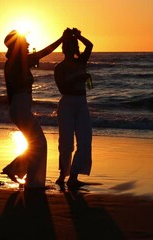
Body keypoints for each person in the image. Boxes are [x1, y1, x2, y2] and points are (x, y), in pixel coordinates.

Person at [2, 29, 70, 188]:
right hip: (20, 109)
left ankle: (20, 173)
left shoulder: (19, 61)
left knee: (37, 144)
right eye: (25, 42)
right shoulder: (17, 62)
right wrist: (61, 38)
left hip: (20, 109)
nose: (28, 44)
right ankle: (27, 178)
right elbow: (45, 52)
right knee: (39, 143)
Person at [54, 28, 93, 188]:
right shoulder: (59, 68)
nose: (72, 49)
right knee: (66, 143)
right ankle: (63, 175)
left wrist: (79, 36)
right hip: (67, 104)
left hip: (81, 104)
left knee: (85, 140)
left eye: (74, 45)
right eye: (69, 46)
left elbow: (90, 46)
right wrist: (78, 77)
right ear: (64, 49)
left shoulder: (81, 61)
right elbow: (63, 88)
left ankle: (74, 176)